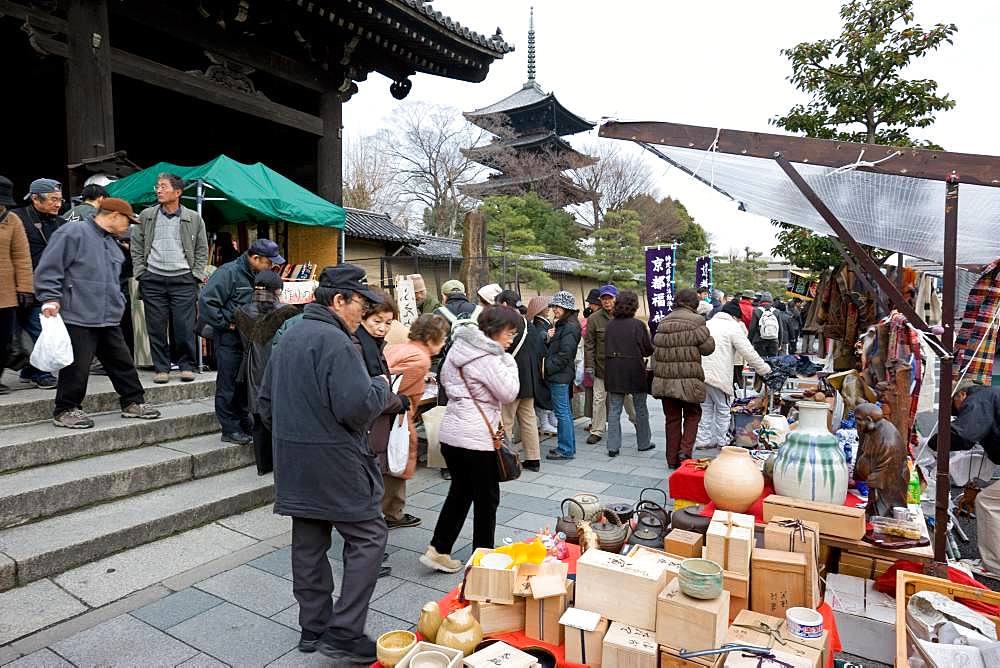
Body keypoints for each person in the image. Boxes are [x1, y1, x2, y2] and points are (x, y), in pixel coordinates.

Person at [257, 264, 391, 663]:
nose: (362, 315)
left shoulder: (291, 334)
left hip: (294, 460)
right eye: (360, 305)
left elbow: (264, 403)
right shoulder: (335, 340)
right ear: (339, 301)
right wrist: (381, 387)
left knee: (309, 542)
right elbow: (356, 407)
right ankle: (345, 631)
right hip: (335, 460)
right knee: (369, 537)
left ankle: (313, 628)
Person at [33, 198, 160, 428]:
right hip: (77, 312)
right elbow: (49, 266)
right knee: (77, 366)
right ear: (113, 215)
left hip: (107, 315)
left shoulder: (112, 242)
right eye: (127, 221)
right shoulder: (72, 232)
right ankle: (66, 409)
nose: (128, 226)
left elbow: (117, 277)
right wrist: (49, 298)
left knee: (121, 361)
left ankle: (133, 401)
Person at [420, 306, 520, 573]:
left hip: (452, 432)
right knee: (487, 498)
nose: (511, 339)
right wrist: (508, 360)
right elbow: (509, 392)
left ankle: (439, 549)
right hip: (477, 437)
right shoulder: (488, 357)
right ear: (495, 329)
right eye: (510, 333)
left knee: (460, 492)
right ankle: (483, 556)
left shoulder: (458, 347)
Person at [199, 238, 284, 445]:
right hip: (229, 338)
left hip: (252, 340)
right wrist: (225, 324)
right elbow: (207, 301)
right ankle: (229, 428)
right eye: (268, 262)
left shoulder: (260, 275)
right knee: (228, 383)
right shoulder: (228, 273)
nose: (272, 266)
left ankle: (243, 421)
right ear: (255, 258)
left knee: (244, 383)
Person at [132, 173, 209, 384]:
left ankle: (186, 365)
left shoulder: (193, 218)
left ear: (178, 192)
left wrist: (196, 274)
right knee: (155, 326)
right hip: (153, 278)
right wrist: (141, 272)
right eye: (157, 186)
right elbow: (136, 246)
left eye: (164, 187)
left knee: (184, 326)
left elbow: (202, 249)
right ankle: (161, 368)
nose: (158, 190)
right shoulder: (147, 215)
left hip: (183, 279)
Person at [382, 313, 449, 528]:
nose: (445, 342)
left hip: (391, 419)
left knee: (392, 466)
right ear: (431, 338)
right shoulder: (419, 359)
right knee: (395, 465)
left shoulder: (399, 347)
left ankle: (393, 512)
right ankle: (389, 515)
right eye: (443, 337)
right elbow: (390, 388)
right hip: (395, 419)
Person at [233, 270, 299, 474]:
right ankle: (282, 465)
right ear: (277, 290)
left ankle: (263, 466)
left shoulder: (241, 312)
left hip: (253, 367)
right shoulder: (288, 312)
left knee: (258, 415)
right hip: (279, 365)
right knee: (280, 413)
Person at [695, 299, 772, 451]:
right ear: (735, 316)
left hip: (700, 373)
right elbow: (748, 352)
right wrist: (764, 369)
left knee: (705, 408)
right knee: (723, 408)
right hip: (719, 376)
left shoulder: (707, 323)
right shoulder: (733, 327)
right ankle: (722, 441)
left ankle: (702, 440)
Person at [652, 288, 715, 467]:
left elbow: (656, 349)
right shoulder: (697, 321)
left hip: (665, 381)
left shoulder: (663, 322)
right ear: (694, 304)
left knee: (671, 419)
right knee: (693, 414)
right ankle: (685, 451)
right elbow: (708, 348)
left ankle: (671, 460)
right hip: (689, 380)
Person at [13, 178, 65, 389]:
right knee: (15, 335)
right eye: (53, 199)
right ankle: (35, 371)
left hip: (47, 287)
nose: (58, 204)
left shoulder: (61, 223)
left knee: (42, 330)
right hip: (18, 284)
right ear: (35, 198)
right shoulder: (16, 218)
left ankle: (36, 371)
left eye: (60, 200)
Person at [496, 290, 543, 472]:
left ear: (506, 304)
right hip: (529, 379)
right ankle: (533, 458)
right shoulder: (528, 323)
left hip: (512, 379)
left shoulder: (507, 324)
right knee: (529, 419)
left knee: (506, 421)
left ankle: (506, 461)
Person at [603, 290, 654, 457]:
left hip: (614, 369)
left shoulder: (610, 325)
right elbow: (647, 350)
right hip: (634, 369)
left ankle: (613, 446)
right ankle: (644, 442)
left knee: (614, 409)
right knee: (640, 407)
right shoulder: (638, 325)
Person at [585, 284, 636, 445]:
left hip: (622, 367)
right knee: (599, 399)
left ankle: (638, 423)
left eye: (610, 298)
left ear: (616, 299)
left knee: (628, 398)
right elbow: (589, 344)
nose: (607, 302)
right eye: (604, 298)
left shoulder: (625, 316)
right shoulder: (594, 318)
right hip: (601, 367)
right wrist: (589, 366)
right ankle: (597, 430)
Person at [0, 176, 33, 394]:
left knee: (3, 338)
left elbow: (22, 256)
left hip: (5, 290)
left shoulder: (12, 219)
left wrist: (25, 287)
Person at [545, 291, 583, 461]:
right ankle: (567, 446)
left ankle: (565, 449)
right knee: (565, 412)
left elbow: (565, 354)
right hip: (562, 374)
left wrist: (547, 368)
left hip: (559, 375)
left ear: (566, 308)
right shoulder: (564, 324)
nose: (555, 309)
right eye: (554, 306)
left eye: (558, 306)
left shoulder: (569, 327)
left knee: (562, 413)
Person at [526, 295, 557, 437]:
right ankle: (544, 422)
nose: (549, 309)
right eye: (547, 307)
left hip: (544, 361)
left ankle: (549, 419)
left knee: (546, 391)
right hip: (542, 361)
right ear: (540, 309)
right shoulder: (539, 325)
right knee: (543, 391)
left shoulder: (543, 323)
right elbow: (540, 336)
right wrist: (546, 336)